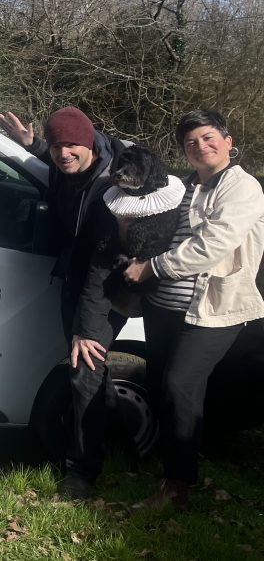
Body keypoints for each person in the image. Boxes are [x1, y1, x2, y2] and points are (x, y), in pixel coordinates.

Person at [124, 109, 264, 510]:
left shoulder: (243, 189)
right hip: (163, 307)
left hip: (211, 311)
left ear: (228, 141)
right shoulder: (180, 186)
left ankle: (176, 488)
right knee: (161, 385)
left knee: (180, 385)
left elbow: (211, 247)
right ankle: (170, 461)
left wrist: (151, 267)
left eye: (207, 138)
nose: (200, 146)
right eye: (190, 142)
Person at [0, 107, 129, 498]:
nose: (63, 153)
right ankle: (113, 443)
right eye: (58, 146)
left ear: (89, 143)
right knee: (94, 374)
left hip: (101, 289)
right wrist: (34, 146)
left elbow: (101, 266)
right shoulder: (69, 164)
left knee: (85, 370)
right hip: (76, 278)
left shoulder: (108, 190)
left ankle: (81, 475)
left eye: (72, 145)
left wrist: (87, 328)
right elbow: (60, 161)